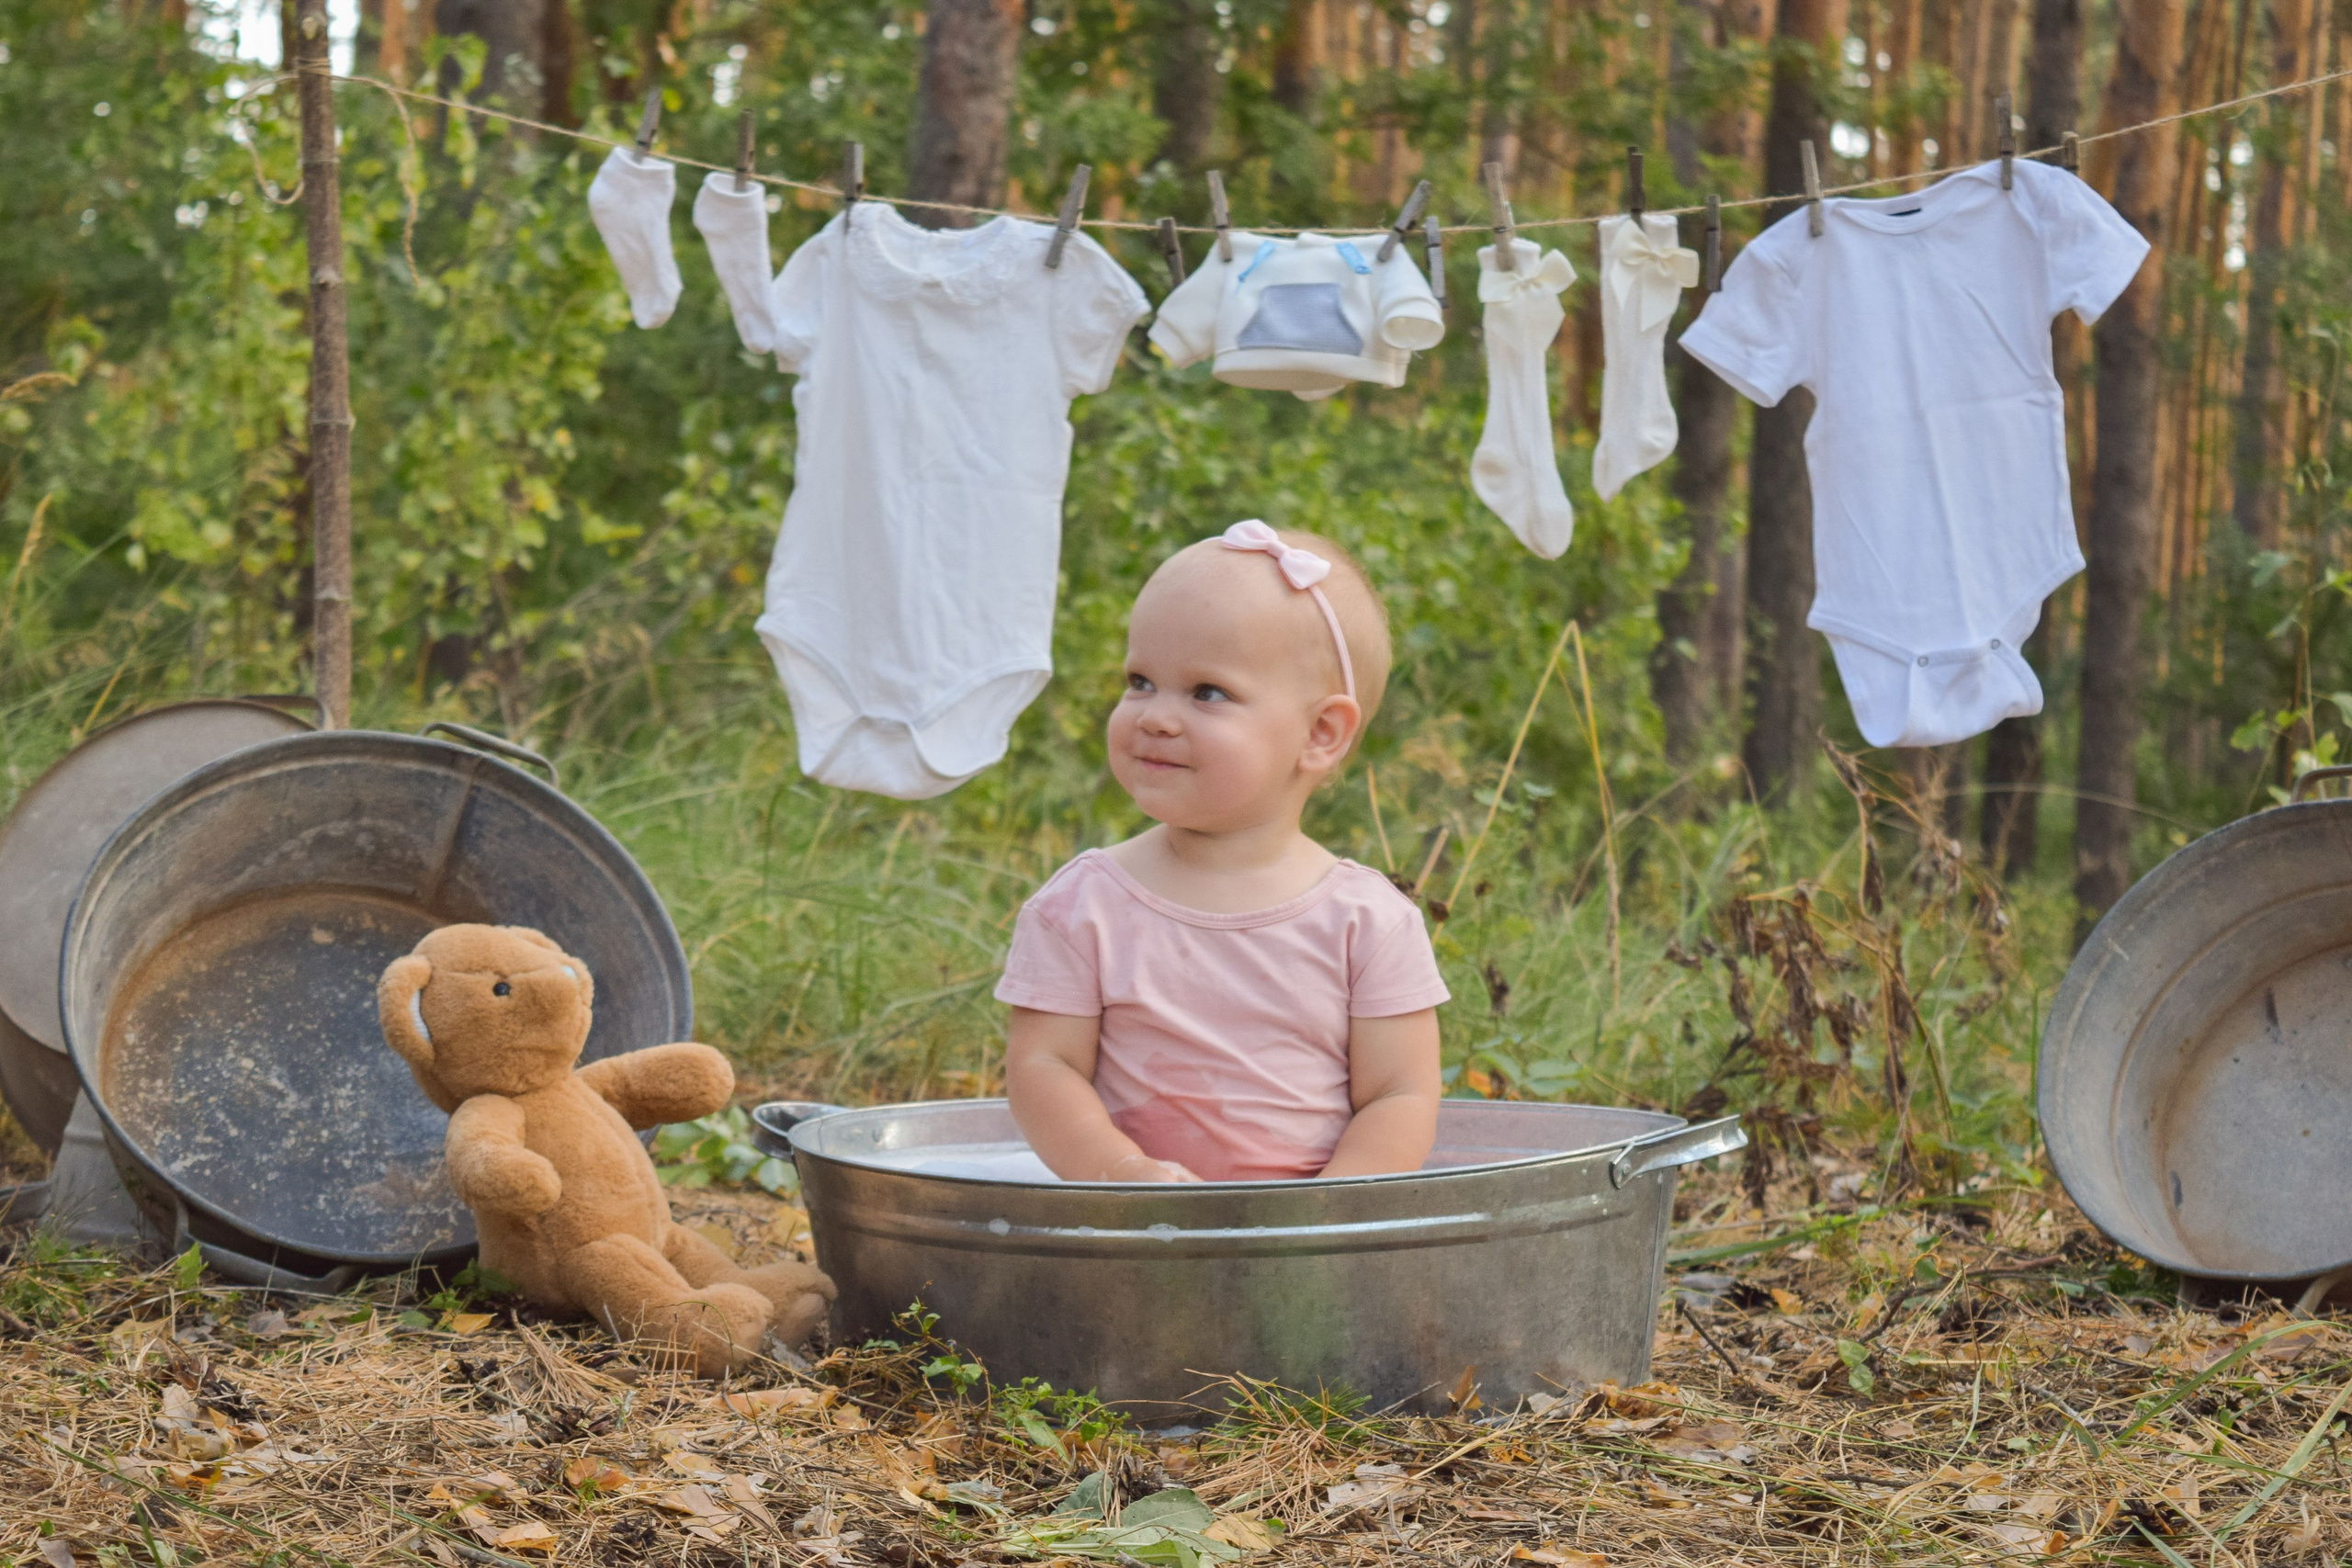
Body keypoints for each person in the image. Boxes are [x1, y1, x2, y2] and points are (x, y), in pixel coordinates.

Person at [997, 520, 1450, 1182]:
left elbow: (1399, 1094)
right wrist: (1118, 1171)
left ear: (1321, 732)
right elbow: (1045, 1067)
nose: (1154, 714)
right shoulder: (1081, 906)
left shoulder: (1368, 923)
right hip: (1131, 1236)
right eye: (1141, 680)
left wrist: (1328, 1214)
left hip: (1303, 1244)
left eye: (1207, 691)